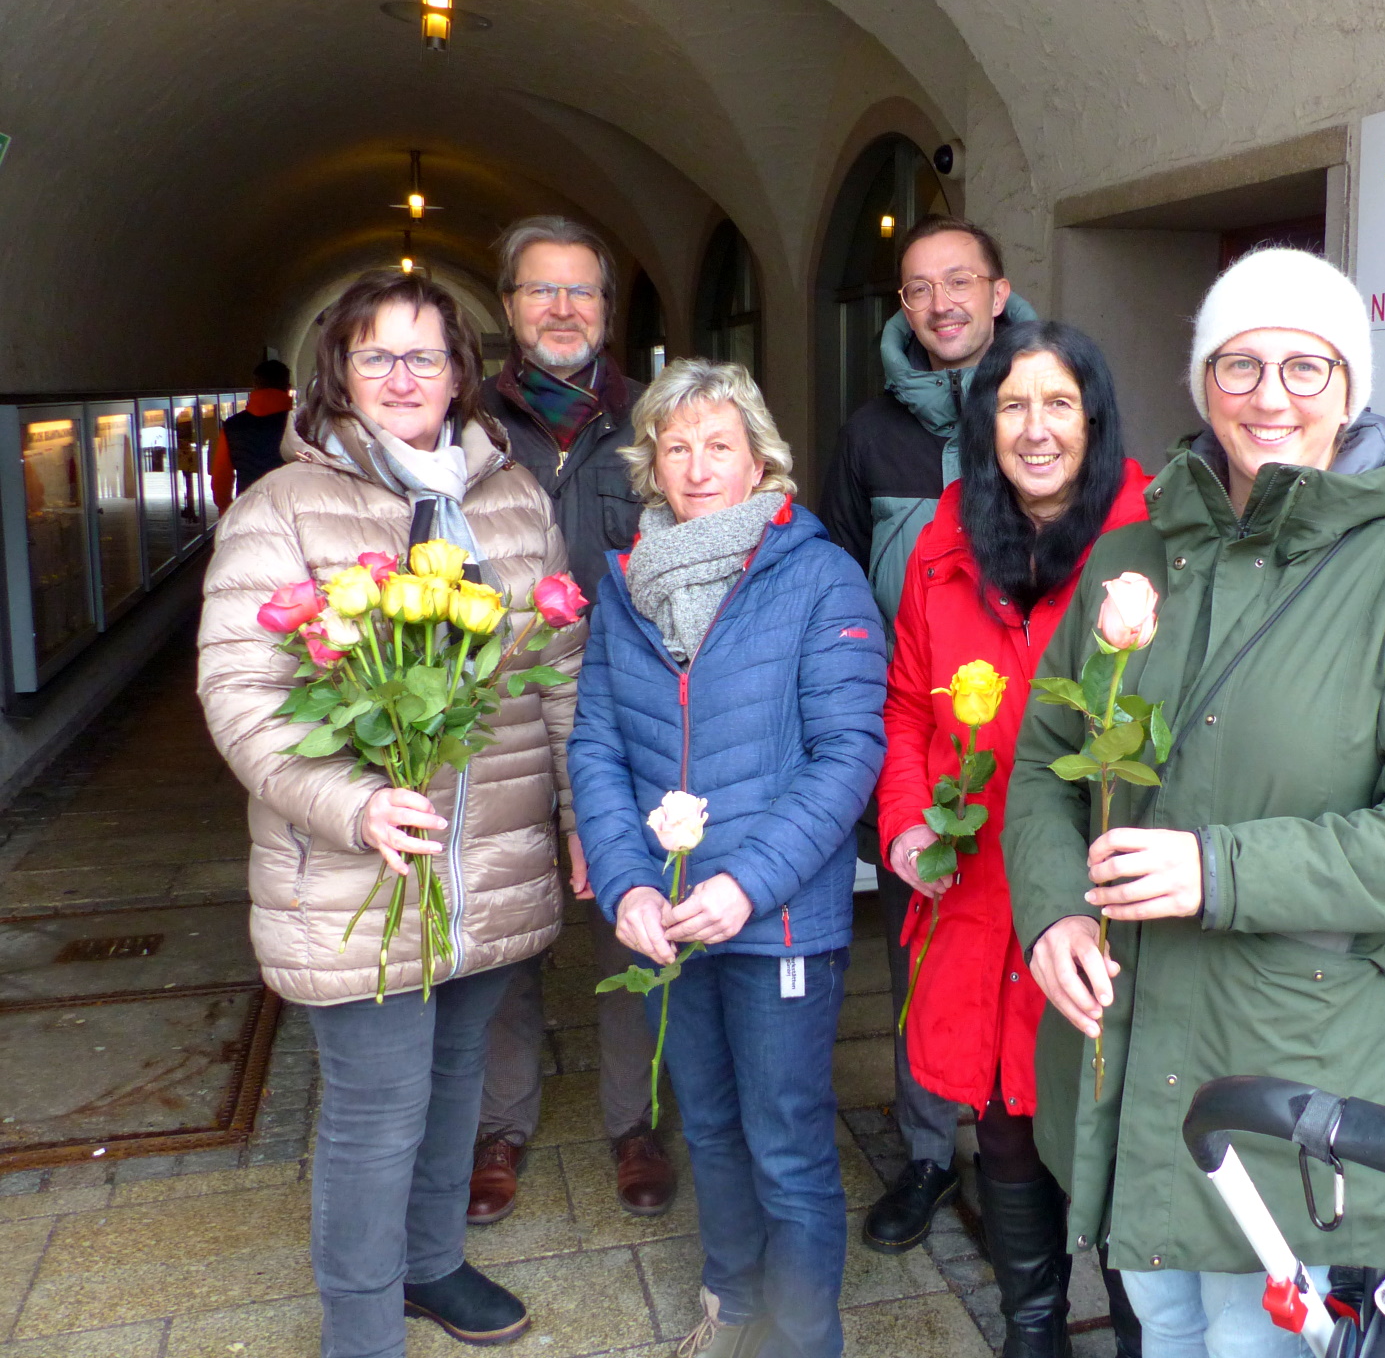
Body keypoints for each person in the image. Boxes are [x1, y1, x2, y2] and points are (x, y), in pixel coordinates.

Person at [1005, 247, 1385, 1358]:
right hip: (1124, 1049)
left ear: (1352, 389)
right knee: (1163, 1325)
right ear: (1203, 385)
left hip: (1284, 1063)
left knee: (1255, 1340)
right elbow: (1046, 761)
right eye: (1239, 365)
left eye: (1306, 366)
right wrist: (1047, 909)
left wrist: (1219, 868)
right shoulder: (1135, 556)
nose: (1270, 396)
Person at [198, 269, 584, 1355]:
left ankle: (430, 1266)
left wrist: (575, 814)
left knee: (456, 1080)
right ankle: (360, 1328)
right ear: (341, 374)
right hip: (356, 873)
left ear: (464, 371)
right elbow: (242, 697)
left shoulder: (510, 497)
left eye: (427, 355)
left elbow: (561, 667)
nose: (405, 376)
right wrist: (352, 804)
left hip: (488, 860)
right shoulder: (284, 506)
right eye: (378, 356)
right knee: (375, 1114)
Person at [567, 358, 887, 1358]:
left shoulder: (817, 573)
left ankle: (801, 1342)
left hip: (777, 916)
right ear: (651, 466)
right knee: (705, 1124)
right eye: (677, 448)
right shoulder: (626, 584)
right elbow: (597, 744)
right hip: (666, 915)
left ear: (761, 461)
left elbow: (850, 753)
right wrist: (624, 882)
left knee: (787, 1143)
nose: (699, 467)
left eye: (720, 447)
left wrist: (746, 882)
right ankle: (731, 1302)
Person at [879, 321, 1150, 1357]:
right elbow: (906, 705)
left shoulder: (1151, 544)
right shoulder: (947, 540)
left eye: (1059, 406)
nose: (1036, 430)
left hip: (1098, 892)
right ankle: (1031, 1329)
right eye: (1012, 406)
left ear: (1094, 419)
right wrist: (907, 823)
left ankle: (1136, 1329)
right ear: (985, 422)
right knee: (998, 1113)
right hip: (975, 886)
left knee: (1111, 1126)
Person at [818, 213, 1039, 1256]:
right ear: (901, 308)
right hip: (922, 746)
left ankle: (1022, 1160)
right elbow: (838, 592)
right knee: (922, 954)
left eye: (962, 281)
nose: (942, 301)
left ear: (999, 292)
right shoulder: (871, 435)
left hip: (1040, 752)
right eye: (919, 287)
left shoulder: (1047, 411)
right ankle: (925, 1150)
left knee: (1038, 949)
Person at [466, 215, 673, 1228]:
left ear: (606, 307)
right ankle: (499, 1124)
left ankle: (634, 1122)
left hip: (630, 715)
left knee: (630, 921)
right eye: (541, 291)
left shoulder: (652, 422)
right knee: (506, 933)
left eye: (580, 292)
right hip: (500, 719)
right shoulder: (466, 431)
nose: (562, 310)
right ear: (508, 307)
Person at [210, 357, 294, 512]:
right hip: (289, 512)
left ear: (255, 386)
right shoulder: (299, 425)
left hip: (248, 511)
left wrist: (228, 513)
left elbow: (221, 481)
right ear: (288, 388)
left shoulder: (233, 426)